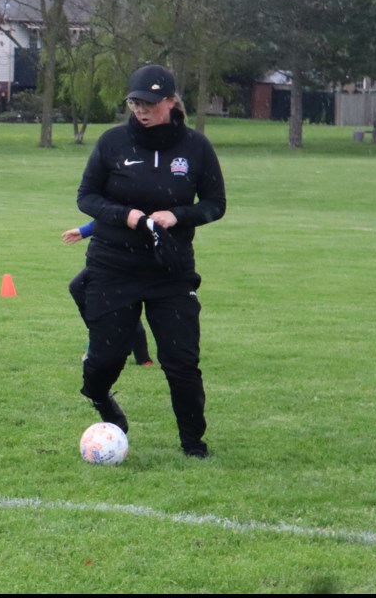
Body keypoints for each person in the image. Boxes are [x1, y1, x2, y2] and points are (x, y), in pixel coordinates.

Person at [75, 64, 226, 458]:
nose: (141, 110)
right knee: (105, 359)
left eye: (150, 103)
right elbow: (87, 198)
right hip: (113, 267)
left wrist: (179, 214)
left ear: (171, 103)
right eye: (135, 102)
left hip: (170, 272)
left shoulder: (196, 147)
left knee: (181, 363)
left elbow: (216, 204)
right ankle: (100, 398)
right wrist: (126, 216)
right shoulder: (112, 143)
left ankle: (193, 443)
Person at [62, 220, 153, 367]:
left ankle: (141, 357)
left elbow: (121, 215)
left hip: (124, 255)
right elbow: (108, 215)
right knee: (78, 287)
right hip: (107, 254)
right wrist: (84, 231)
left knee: (124, 301)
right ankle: (102, 335)